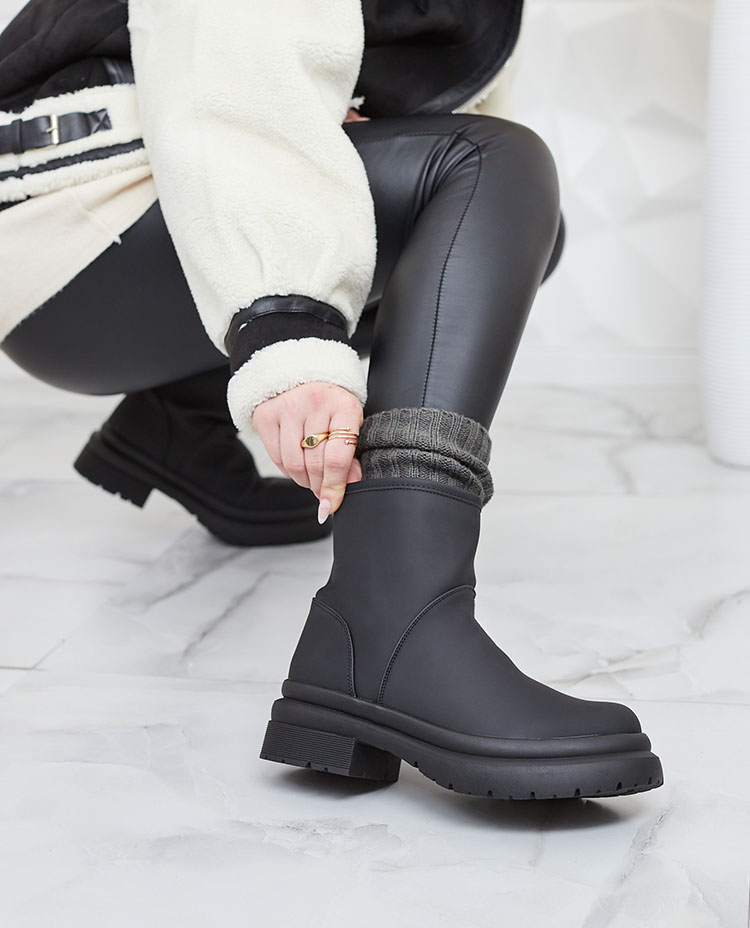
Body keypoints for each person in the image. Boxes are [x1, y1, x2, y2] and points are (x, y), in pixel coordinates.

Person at [0, 0, 663, 802]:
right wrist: (286, 325)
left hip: (104, 234)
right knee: (492, 168)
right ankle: (396, 618)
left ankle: (179, 422)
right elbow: (223, 50)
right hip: (72, 211)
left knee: (514, 218)